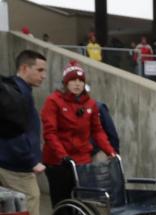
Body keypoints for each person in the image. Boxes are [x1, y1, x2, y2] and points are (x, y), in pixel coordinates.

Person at [0, 50, 48, 215]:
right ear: (24, 69)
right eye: (39, 70)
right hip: (18, 169)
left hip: (13, 166)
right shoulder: (18, 95)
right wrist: (32, 161)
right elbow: (16, 134)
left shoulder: (14, 92)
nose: (43, 75)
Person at [40, 62, 116, 206]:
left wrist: (109, 151)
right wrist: (63, 155)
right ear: (66, 82)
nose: (77, 84)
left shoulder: (90, 104)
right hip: (58, 161)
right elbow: (50, 133)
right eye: (73, 80)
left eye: (81, 81)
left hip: (82, 160)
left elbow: (97, 130)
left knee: (85, 200)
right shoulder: (53, 101)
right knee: (63, 201)